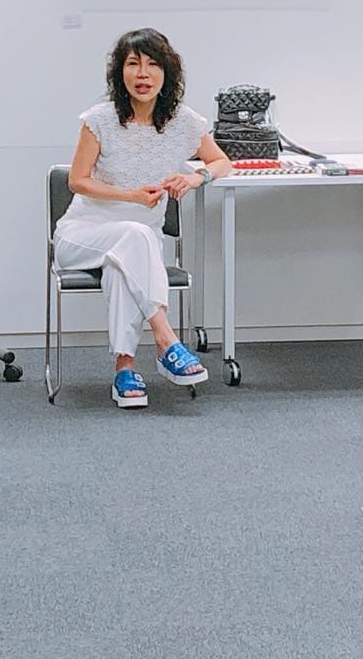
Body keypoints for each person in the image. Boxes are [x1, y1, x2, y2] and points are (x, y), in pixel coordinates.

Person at [54, 28, 232, 408]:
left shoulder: (183, 122)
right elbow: (77, 181)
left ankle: (125, 369)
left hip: (137, 245)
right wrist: (130, 196)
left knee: (124, 261)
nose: (143, 74)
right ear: (120, 72)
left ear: (167, 72)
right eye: (133, 64)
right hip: (83, 235)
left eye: (152, 65)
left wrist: (194, 178)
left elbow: (221, 162)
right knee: (133, 238)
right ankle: (166, 340)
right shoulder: (100, 120)